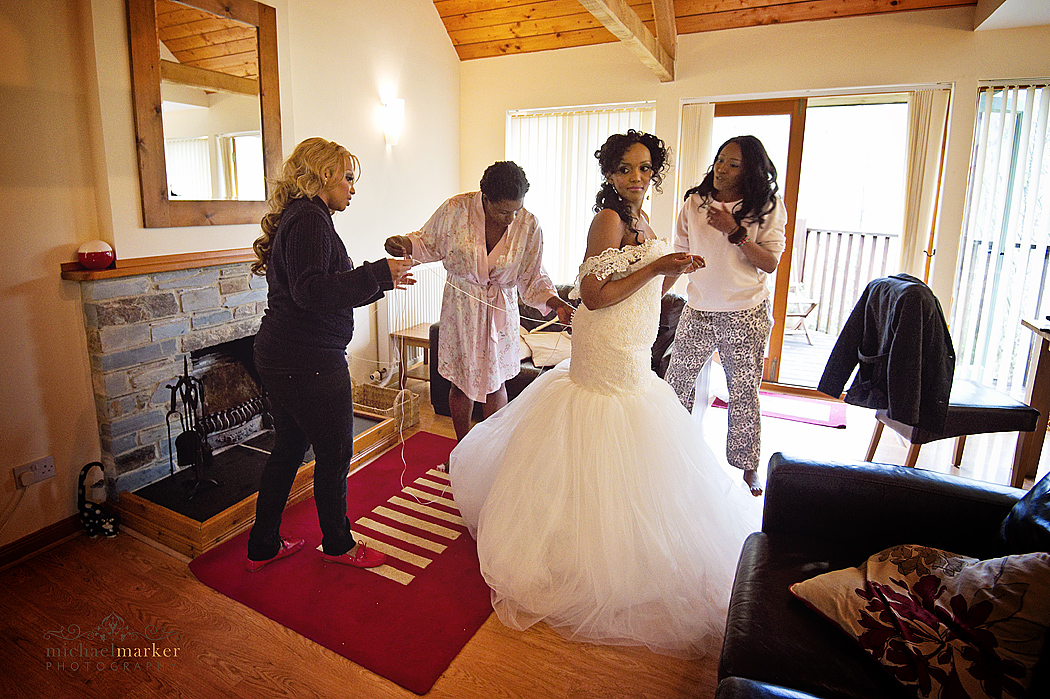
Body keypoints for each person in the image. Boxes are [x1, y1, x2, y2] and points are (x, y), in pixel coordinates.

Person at [448, 130, 760, 657]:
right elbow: (592, 296)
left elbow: (641, 283)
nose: (636, 179)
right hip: (606, 346)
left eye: (644, 169)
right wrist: (661, 266)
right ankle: (578, 548)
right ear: (610, 175)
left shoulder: (642, 219)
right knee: (597, 435)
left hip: (634, 344)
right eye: (624, 170)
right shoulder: (609, 219)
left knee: (638, 441)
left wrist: (670, 275)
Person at [245, 137, 416, 572]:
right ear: (325, 175)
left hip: (284, 354)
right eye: (349, 178)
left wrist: (383, 279)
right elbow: (312, 291)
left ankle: (263, 544)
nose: (353, 189)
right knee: (336, 452)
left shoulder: (306, 218)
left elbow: (321, 286)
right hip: (307, 359)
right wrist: (379, 273)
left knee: (288, 449)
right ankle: (338, 544)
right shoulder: (309, 221)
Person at [384, 162, 573, 442]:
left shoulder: (529, 225)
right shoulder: (454, 210)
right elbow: (427, 242)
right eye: (502, 211)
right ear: (485, 198)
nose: (510, 218)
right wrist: (403, 243)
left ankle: (490, 449)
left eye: (515, 210)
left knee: (495, 384)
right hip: (462, 306)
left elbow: (533, 275)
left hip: (500, 308)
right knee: (460, 383)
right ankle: (462, 447)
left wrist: (556, 302)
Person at [663, 135, 787, 496]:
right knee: (676, 384)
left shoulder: (766, 206)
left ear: (750, 170)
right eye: (720, 159)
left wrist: (735, 231)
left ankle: (749, 467)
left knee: (744, 391)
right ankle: (672, 453)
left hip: (744, 312)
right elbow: (681, 252)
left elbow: (771, 261)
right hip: (699, 308)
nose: (721, 167)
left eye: (733, 163)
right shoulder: (695, 202)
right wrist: (658, 289)